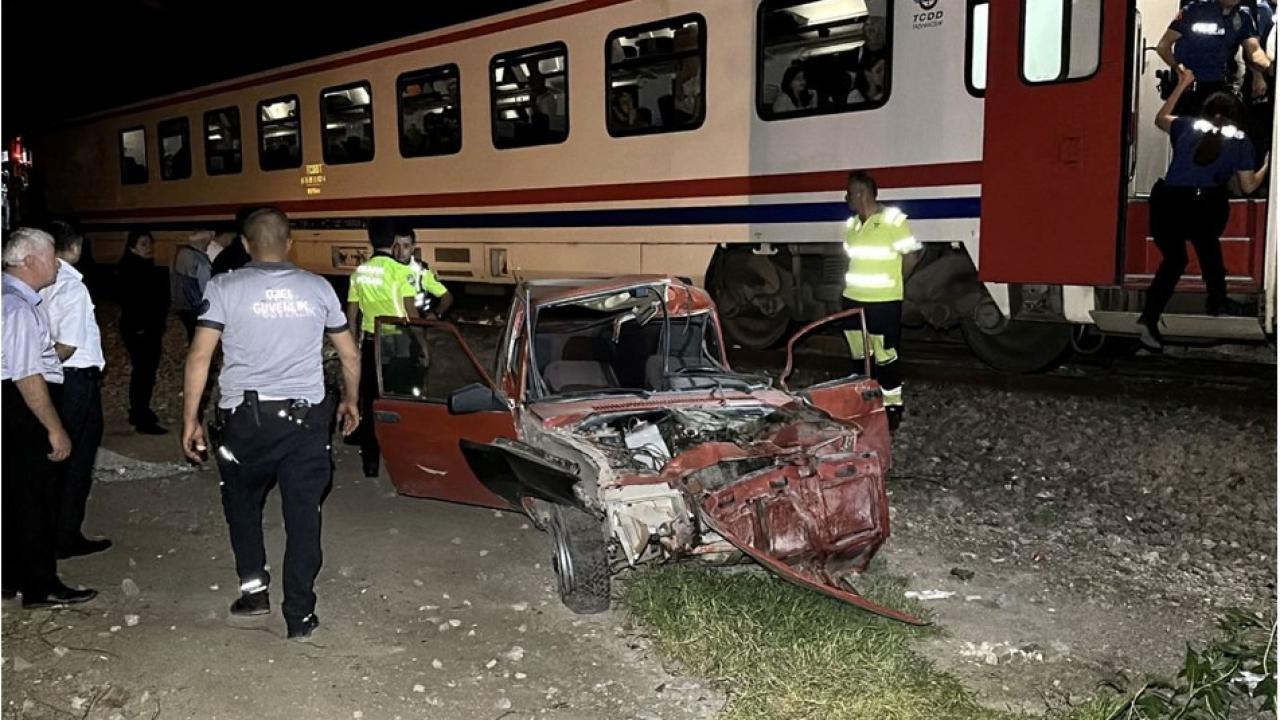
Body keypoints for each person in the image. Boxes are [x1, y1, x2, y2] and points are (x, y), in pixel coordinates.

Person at [181, 208, 360, 641]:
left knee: (242, 505)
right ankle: (300, 614)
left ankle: (254, 593)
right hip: (306, 420)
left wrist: (190, 419)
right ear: (290, 242)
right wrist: (351, 400)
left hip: (246, 421)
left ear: (246, 245)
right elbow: (349, 354)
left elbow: (200, 356)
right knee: (303, 514)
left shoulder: (224, 287)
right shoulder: (318, 287)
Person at [1137, 68, 1270, 351]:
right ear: (1235, 116)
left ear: (1205, 111)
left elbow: (1160, 118)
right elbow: (1248, 187)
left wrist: (1182, 84)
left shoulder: (1187, 126)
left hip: (1166, 203)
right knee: (1209, 249)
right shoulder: (1240, 140)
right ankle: (1217, 301)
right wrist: (1269, 165)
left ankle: (1149, 318)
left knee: (1175, 261)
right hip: (1203, 206)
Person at [2, 228, 98, 608]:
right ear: (28, 261)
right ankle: (40, 586)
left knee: (13, 495)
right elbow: (28, 375)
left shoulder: (10, 298)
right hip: (21, 408)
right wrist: (55, 429)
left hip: (9, 404)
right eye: (49, 256)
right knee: (35, 498)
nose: (56, 263)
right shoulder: (17, 308)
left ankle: (10, 577)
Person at [40, 221, 112, 559]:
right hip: (76, 379)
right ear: (76, 246)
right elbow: (67, 346)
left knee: (57, 459)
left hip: (58, 380)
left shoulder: (40, 283)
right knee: (77, 458)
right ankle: (66, 536)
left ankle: (51, 530)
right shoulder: (71, 286)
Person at [841, 171, 922, 432]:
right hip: (853, 301)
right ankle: (864, 403)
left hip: (883, 303)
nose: (846, 198)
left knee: (886, 358)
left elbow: (911, 256)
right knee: (859, 357)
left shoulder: (892, 220)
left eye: (849, 193)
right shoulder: (851, 225)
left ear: (861, 193)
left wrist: (895, 283)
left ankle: (892, 407)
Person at [346, 217, 419, 478]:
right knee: (399, 400)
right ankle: (402, 459)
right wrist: (422, 342)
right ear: (393, 242)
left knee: (369, 402)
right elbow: (411, 313)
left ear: (371, 239)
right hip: (397, 343)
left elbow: (351, 314)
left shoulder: (360, 272)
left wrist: (353, 347)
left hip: (370, 342)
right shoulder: (401, 272)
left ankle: (371, 463)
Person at [1156, 0, 1273, 115]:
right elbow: (1163, 47)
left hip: (1217, 88)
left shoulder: (1242, 16)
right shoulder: (1194, 11)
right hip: (1188, 87)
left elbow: (1254, 51)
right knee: (1186, 126)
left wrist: (1270, 67)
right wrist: (1179, 70)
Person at [118, 229, 169, 434]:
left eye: (150, 244)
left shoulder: (141, 267)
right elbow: (136, 302)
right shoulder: (134, 270)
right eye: (143, 244)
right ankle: (141, 416)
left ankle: (140, 411)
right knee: (143, 373)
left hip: (145, 328)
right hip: (141, 329)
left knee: (144, 372)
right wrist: (142, 327)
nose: (149, 248)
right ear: (132, 247)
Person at [390, 222, 452, 319]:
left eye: (406, 246)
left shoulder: (421, 271)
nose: (400, 252)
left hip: (416, 322)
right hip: (391, 323)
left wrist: (436, 313)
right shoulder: (385, 267)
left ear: (413, 247)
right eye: (396, 246)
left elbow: (447, 296)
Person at [171, 229, 214, 341]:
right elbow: (205, 287)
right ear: (203, 241)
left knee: (191, 334)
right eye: (208, 243)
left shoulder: (180, 253)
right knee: (199, 338)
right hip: (195, 307)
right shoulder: (200, 260)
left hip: (181, 305)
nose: (208, 246)